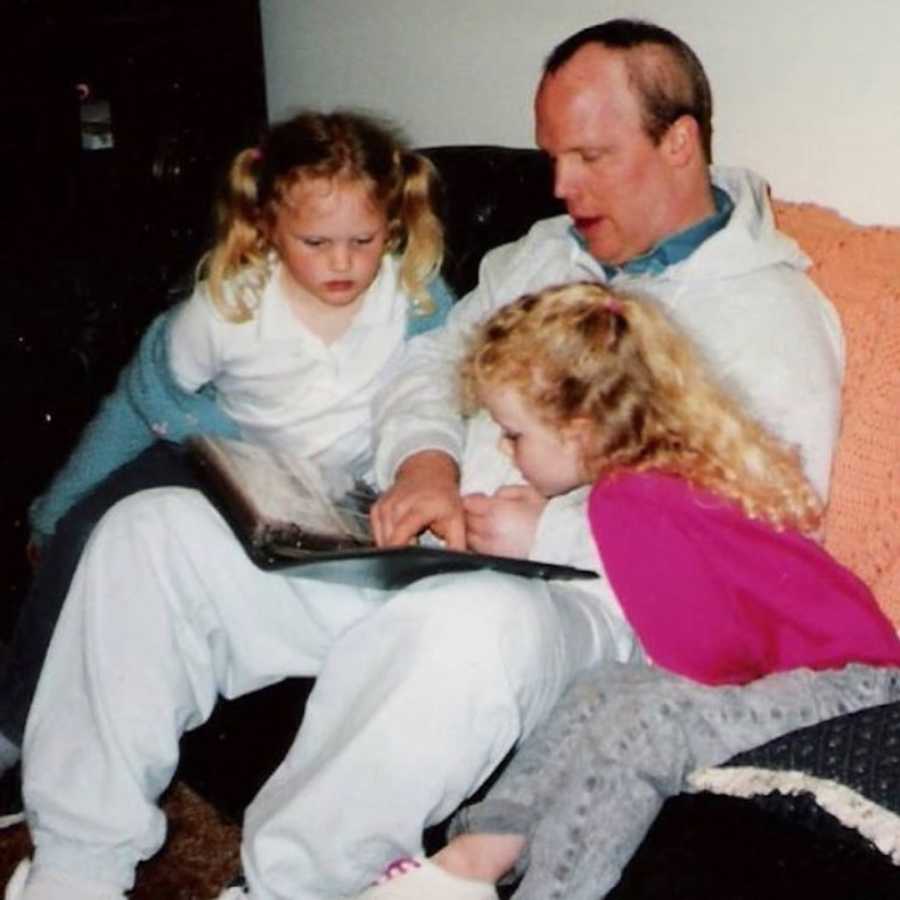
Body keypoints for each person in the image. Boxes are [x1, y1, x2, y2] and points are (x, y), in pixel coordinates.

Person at [4, 17, 849, 900]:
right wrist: (425, 465)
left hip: (578, 605)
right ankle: (76, 865)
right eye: (552, 156)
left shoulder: (768, 315)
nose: (560, 186)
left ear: (680, 143)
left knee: (465, 628)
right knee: (154, 532)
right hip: (421, 542)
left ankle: (289, 884)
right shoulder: (547, 251)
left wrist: (551, 528)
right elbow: (430, 361)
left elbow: (761, 524)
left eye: (589, 157)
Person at [357, 283, 900, 898]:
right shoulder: (648, 475)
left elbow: (707, 659)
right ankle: (473, 861)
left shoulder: (627, 502)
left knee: (644, 726)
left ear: (580, 431)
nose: (508, 452)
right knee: (601, 688)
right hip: (816, 670)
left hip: (857, 686)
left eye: (514, 435)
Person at [0, 108, 451, 800]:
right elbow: (138, 404)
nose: (343, 263)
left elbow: (446, 381)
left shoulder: (413, 295)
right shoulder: (225, 309)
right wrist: (58, 506)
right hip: (218, 455)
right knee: (85, 534)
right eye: (316, 241)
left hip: (330, 490)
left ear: (392, 226)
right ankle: (12, 722)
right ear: (267, 225)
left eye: (364, 240)